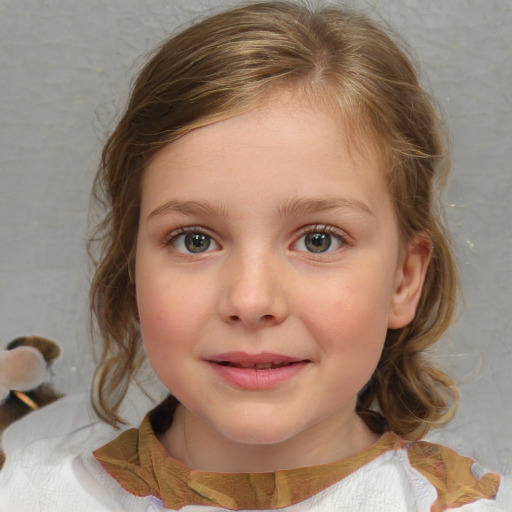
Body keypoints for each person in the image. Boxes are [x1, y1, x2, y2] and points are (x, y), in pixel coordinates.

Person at [0, 1, 509, 510]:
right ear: (133, 274)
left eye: (318, 240)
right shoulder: (33, 496)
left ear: (404, 280)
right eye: (195, 240)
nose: (250, 299)